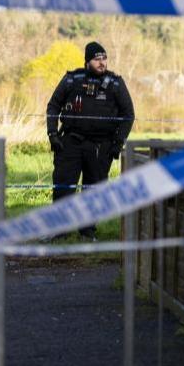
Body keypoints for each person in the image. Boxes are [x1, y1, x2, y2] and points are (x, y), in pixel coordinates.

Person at [46, 41, 135, 240]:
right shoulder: (71, 80)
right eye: (97, 59)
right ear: (87, 61)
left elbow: (128, 114)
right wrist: (52, 134)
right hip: (70, 142)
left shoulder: (115, 84)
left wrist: (118, 142)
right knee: (63, 187)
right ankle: (60, 232)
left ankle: (87, 232)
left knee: (94, 189)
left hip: (100, 146)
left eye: (104, 58)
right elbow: (53, 106)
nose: (102, 62)